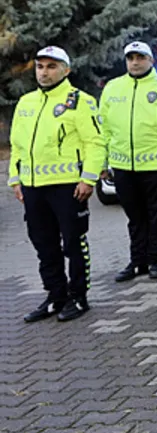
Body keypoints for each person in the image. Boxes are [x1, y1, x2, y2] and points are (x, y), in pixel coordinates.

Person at [10, 46, 103, 323]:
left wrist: (89, 178)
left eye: (52, 66)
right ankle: (55, 295)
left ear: (66, 70)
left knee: (74, 243)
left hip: (68, 187)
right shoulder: (26, 103)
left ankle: (79, 296)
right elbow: (17, 146)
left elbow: (95, 143)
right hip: (33, 187)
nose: (45, 72)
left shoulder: (80, 101)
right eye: (40, 66)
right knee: (44, 244)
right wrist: (15, 180)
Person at [100, 41, 157, 282]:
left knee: (155, 214)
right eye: (131, 58)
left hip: (155, 164)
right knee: (134, 216)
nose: (135, 62)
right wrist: (103, 163)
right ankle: (136, 260)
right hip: (122, 166)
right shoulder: (113, 87)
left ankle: (155, 259)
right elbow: (103, 128)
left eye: (140, 57)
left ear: (150, 60)